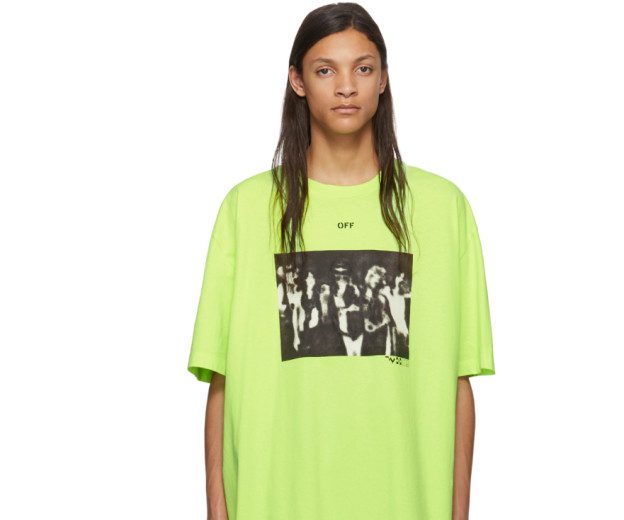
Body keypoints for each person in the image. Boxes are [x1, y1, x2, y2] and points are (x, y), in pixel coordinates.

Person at [187, 3, 496, 519]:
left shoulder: (443, 209)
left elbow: (457, 384)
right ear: (298, 81)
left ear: (383, 79)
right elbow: (222, 382)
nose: (347, 86)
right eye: (326, 70)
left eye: (363, 68)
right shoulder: (246, 209)